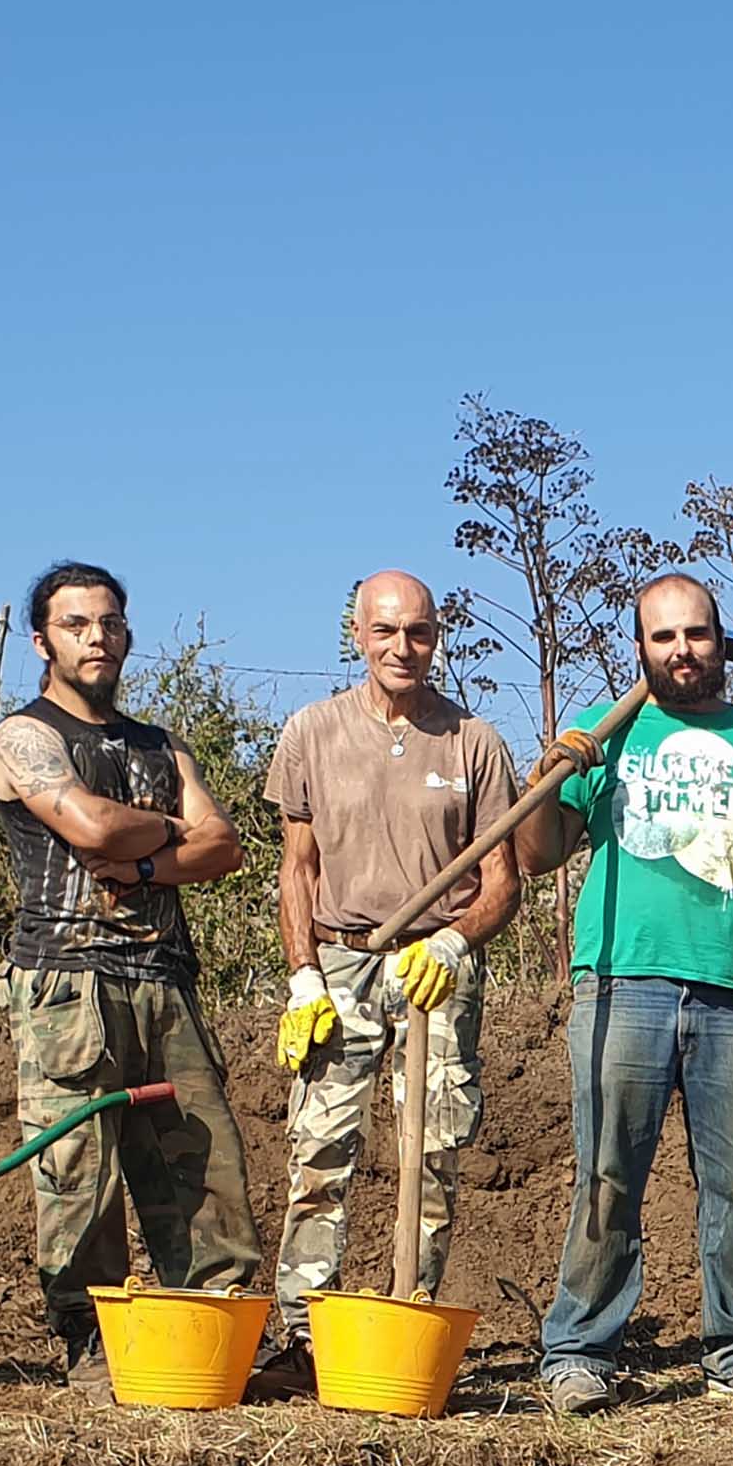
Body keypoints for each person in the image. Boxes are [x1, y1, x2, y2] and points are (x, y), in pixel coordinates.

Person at [516, 573, 733, 1416]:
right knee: (608, 1171)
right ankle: (578, 1349)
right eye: (663, 636)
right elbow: (537, 852)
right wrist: (552, 771)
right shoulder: (605, 738)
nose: (682, 649)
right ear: (640, 648)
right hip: (622, 981)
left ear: (723, 642)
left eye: (697, 634)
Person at [0, 560, 261, 1396]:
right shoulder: (23, 736)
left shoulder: (159, 744)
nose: (96, 637)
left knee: (203, 1164)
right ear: (44, 640)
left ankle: (214, 1333)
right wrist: (175, 828)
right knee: (80, 1175)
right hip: (69, 985)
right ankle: (92, 1347)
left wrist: (144, 866)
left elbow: (228, 847)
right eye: (76, 624)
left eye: (109, 622)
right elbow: (90, 823)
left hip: (163, 977)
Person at [254, 571, 520, 1392]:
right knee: (321, 1147)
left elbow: (503, 881)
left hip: (433, 969)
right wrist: (304, 975)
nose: (403, 647)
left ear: (438, 638)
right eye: (386, 631)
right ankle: (304, 1338)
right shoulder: (313, 731)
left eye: (420, 632)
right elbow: (296, 868)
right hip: (340, 961)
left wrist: (452, 942)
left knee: (432, 1148)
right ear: (358, 636)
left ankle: (409, 1313)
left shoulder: (473, 741)